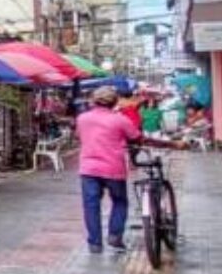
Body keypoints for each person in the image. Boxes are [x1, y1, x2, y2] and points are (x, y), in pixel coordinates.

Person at [76, 87, 182, 254]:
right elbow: (139, 139)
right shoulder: (120, 120)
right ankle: (114, 236)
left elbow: (81, 136)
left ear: (94, 100)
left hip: (88, 169)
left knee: (91, 206)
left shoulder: (82, 118)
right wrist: (172, 144)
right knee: (119, 201)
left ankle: (95, 244)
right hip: (113, 168)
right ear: (115, 101)